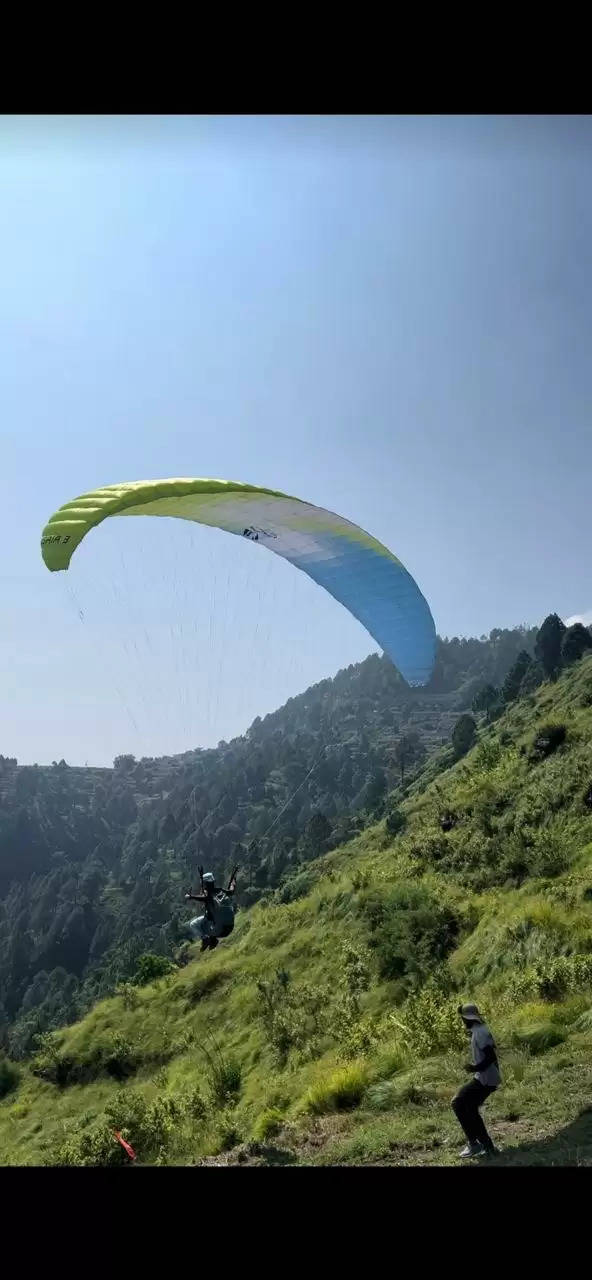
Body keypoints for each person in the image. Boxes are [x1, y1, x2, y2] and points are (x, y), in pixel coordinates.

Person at [452, 1003, 500, 1158]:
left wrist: (474, 1068)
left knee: (458, 1103)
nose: (462, 1022)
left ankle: (477, 1145)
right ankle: (484, 1146)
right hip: (486, 1077)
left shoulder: (479, 1033)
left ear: (468, 1018)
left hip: (486, 1078)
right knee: (468, 1107)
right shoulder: (479, 1031)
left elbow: (491, 1057)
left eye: (463, 1019)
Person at [184, 867, 238, 952]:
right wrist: (233, 881)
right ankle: (212, 939)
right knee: (212, 917)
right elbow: (232, 890)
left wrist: (190, 897)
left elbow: (204, 898)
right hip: (230, 927)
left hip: (219, 930)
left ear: (205, 884)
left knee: (194, 924)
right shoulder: (221, 891)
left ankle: (206, 939)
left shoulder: (208, 896)